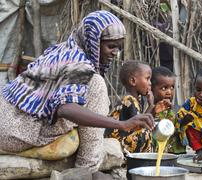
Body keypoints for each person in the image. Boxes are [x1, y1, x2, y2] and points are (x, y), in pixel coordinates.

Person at [0, 11, 154, 173]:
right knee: (96, 85)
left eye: (118, 48)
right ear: (93, 41)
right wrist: (121, 124)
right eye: (111, 46)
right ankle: (88, 168)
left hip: (7, 123)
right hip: (18, 133)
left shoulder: (62, 50)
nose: (115, 53)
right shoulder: (79, 64)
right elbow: (65, 108)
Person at [104, 60, 154, 153]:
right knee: (145, 133)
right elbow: (141, 125)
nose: (150, 83)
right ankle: (142, 160)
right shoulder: (129, 100)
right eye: (147, 79)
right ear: (133, 81)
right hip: (116, 143)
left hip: (124, 140)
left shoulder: (138, 99)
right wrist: (151, 106)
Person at [150, 66, 185, 154]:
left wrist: (184, 121)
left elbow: (177, 130)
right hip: (155, 154)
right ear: (151, 89)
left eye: (172, 88)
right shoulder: (150, 109)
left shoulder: (173, 110)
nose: (169, 92)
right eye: (164, 88)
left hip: (174, 153)